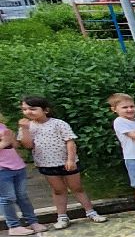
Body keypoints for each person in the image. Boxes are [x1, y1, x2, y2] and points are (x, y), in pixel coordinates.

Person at [17, 97, 102, 228]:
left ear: (45, 110)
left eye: (33, 109)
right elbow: (28, 145)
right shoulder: (27, 127)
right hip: (46, 163)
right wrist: (25, 129)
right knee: (58, 190)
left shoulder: (58, 123)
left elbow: (70, 141)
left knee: (77, 188)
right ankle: (62, 217)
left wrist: (71, 159)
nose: (28, 112)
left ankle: (91, 212)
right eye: (24, 109)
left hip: (66, 161)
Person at [0, 108, 40, 234]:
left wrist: (11, 138)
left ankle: (33, 221)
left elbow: (15, 145)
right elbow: (4, 144)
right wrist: (4, 142)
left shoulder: (2, 126)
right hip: (2, 169)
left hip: (16, 165)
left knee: (22, 196)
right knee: (8, 198)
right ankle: (13, 226)